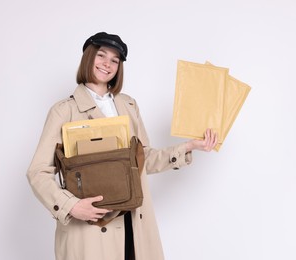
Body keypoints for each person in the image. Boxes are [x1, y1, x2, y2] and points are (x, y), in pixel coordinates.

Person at [27, 32, 218, 260]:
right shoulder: (64, 110)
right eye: (101, 56)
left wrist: (189, 146)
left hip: (134, 225)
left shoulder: (128, 105)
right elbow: (37, 171)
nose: (107, 64)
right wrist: (70, 206)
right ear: (88, 58)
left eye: (115, 60)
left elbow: (143, 159)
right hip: (91, 228)